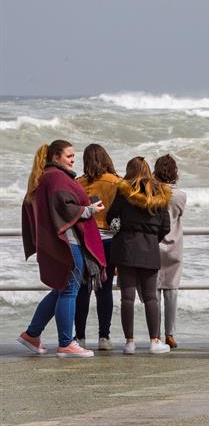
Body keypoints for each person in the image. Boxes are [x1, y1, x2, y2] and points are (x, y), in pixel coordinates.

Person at [19, 140, 106, 358]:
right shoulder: (56, 177)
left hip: (59, 243)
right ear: (56, 157)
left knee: (61, 288)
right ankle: (66, 343)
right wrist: (89, 210)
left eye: (74, 156)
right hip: (68, 243)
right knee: (69, 291)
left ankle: (32, 334)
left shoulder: (45, 176)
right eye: (69, 156)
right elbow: (66, 209)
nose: (73, 159)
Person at [107, 157, 172, 355]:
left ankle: (129, 343)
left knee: (127, 297)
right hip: (150, 249)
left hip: (126, 248)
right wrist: (152, 238)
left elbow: (111, 217)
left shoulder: (124, 192)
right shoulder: (160, 193)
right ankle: (154, 341)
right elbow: (165, 227)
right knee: (151, 297)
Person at [74, 143, 121, 351]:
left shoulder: (77, 183)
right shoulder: (117, 182)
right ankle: (104, 337)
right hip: (110, 240)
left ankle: (80, 337)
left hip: (87, 239)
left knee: (83, 289)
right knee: (105, 289)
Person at [153, 154, 187, 349]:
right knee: (172, 290)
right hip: (175, 244)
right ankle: (170, 333)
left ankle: (155, 333)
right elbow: (180, 213)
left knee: (155, 290)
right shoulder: (180, 195)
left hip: (155, 244)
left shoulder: (153, 193)